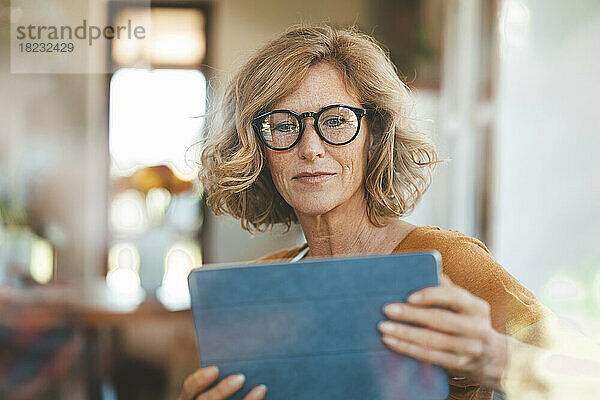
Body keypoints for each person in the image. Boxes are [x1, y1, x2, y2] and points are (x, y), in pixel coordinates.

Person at [179, 24, 600, 400]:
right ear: (257, 148)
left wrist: (492, 358)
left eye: (337, 120)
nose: (310, 148)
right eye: (284, 125)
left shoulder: (448, 262)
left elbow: (587, 380)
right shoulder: (263, 284)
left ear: (375, 136)